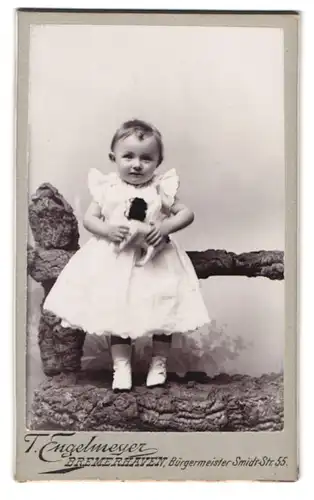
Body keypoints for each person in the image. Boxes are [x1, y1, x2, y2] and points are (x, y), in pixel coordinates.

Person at [43, 119, 210, 390]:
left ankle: (159, 363)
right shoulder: (108, 188)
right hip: (116, 259)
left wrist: (164, 226)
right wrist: (108, 230)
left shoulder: (160, 189)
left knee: (163, 310)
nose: (136, 164)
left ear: (158, 161)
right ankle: (122, 368)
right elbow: (90, 219)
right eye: (128, 156)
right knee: (117, 312)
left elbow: (186, 213)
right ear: (114, 158)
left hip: (155, 260)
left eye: (146, 158)